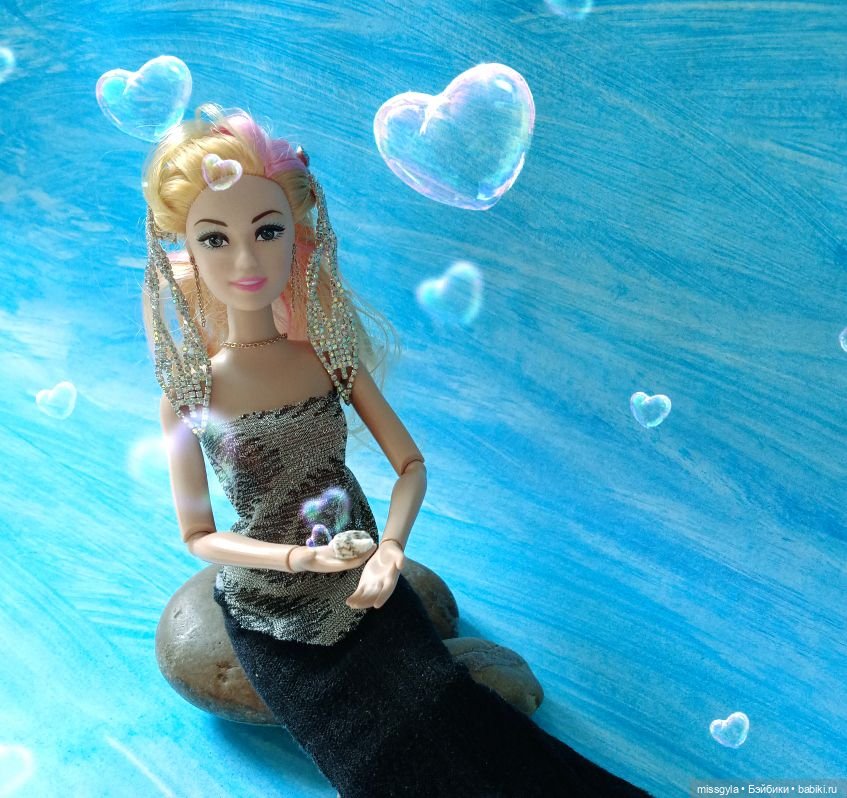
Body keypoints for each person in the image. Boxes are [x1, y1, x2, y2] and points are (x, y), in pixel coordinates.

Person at [143, 101, 653, 798]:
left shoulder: (327, 360)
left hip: (365, 583)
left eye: (267, 230)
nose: (245, 259)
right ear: (184, 252)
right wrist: (298, 559)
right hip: (270, 611)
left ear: (299, 236)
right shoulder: (189, 393)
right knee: (371, 764)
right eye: (214, 239)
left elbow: (410, 466)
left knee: (459, 718)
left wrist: (389, 552)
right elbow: (197, 536)